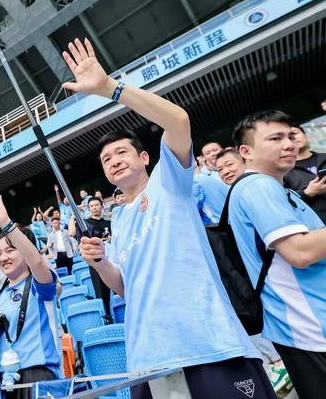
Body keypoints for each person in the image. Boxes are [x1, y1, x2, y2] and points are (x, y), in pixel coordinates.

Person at [61, 37, 272, 398]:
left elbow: (178, 120)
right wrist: (99, 262)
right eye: (106, 160)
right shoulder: (119, 219)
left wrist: (109, 88)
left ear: (145, 158)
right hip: (150, 357)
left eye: (121, 152)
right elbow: (123, 286)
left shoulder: (168, 181)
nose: (114, 161)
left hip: (208, 344)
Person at [228, 110, 326, 399]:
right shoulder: (258, 186)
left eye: (290, 136)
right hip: (308, 327)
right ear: (246, 151)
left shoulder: (279, 189)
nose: (289, 144)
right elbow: (299, 251)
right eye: (275, 138)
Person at [0, 193, 60, 397]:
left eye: (10, 250)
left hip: (36, 375)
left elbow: (37, 262)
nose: (3, 258)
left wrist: (6, 224)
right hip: (0, 380)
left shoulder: (39, 285)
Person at [69, 196, 112, 316]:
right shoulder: (85, 224)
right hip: (96, 263)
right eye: (92, 206)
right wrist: (73, 216)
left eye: (96, 205)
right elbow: (72, 233)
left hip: (112, 259)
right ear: (88, 208)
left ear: (102, 206)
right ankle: (107, 317)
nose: (94, 208)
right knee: (101, 293)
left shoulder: (109, 223)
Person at [284, 124, 326, 222]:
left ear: (305, 135)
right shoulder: (284, 172)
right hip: (318, 225)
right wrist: (307, 193)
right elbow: (284, 204)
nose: (293, 138)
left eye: (295, 133)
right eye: (289, 137)